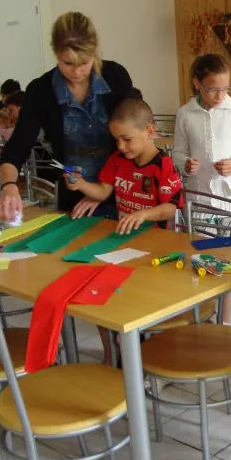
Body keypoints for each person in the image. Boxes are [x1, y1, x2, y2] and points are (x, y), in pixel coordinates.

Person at [67, 98, 183, 364]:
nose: (121, 146)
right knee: (101, 295)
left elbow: (171, 207)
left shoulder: (163, 164)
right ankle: (112, 357)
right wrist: (80, 184)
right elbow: (103, 191)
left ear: (149, 131)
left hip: (155, 250)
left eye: (127, 139)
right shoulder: (118, 159)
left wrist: (144, 214)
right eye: (117, 140)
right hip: (123, 245)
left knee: (140, 307)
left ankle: (147, 360)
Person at [0, 11, 134, 221]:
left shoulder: (115, 77)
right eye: (68, 63)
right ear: (56, 52)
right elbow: (17, 147)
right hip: (74, 199)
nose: (77, 72)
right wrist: (9, 186)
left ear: (95, 51)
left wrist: (100, 192)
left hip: (123, 193)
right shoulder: (41, 90)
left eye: (85, 62)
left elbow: (136, 137)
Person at [172, 54, 231, 323]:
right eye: (212, 89)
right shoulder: (186, 114)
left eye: (225, 89)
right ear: (197, 83)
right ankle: (206, 312)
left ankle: (225, 317)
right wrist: (185, 164)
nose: (220, 95)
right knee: (205, 255)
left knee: (230, 254)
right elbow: (177, 152)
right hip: (200, 196)